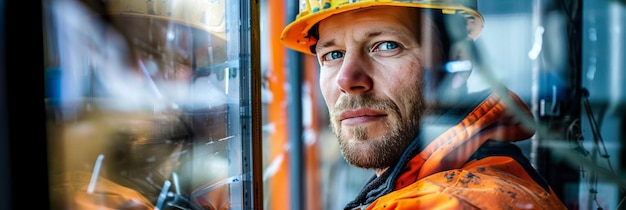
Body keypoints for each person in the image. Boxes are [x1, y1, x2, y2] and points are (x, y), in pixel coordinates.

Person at [280, 1, 568, 209]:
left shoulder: (456, 203)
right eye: (332, 55)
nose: (347, 79)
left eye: (387, 45)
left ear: (456, 65)